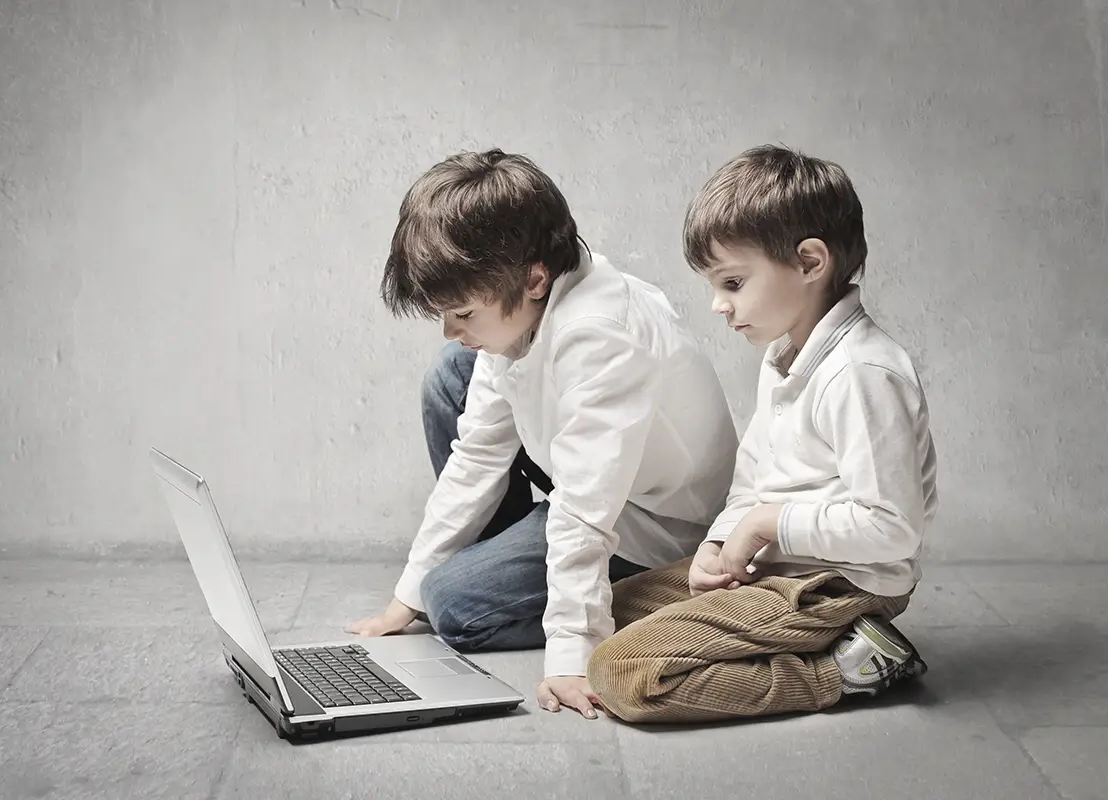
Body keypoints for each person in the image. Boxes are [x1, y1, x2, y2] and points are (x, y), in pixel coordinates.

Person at [346, 148, 738, 718]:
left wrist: (573, 652)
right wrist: (405, 597)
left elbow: (584, 509)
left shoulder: (601, 335)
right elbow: (478, 455)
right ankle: (508, 566)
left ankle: (644, 597)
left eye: (462, 313)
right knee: (453, 374)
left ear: (533, 279)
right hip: (589, 477)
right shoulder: (529, 304)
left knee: (452, 607)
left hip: (651, 525)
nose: (448, 329)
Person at [586, 144, 939, 723]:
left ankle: (846, 668)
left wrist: (766, 524)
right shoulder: (782, 357)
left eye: (733, 282)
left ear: (810, 262)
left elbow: (892, 529)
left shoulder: (861, 373)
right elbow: (752, 482)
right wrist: (720, 542)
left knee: (623, 673)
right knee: (605, 609)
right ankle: (788, 642)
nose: (719, 306)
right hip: (773, 565)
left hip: (836, 582)